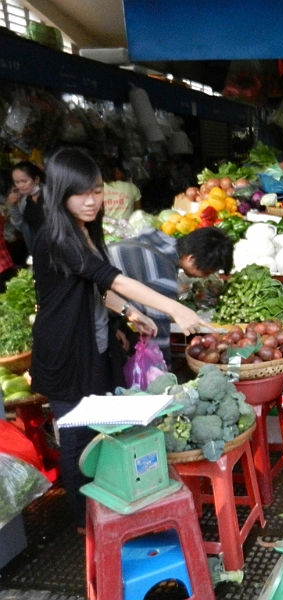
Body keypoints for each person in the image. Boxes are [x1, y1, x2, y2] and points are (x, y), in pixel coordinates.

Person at [29, 147, 209, 529]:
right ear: (60, 193)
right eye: (81, 193)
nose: (92, 201)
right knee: (76, 436)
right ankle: (84, 520)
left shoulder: (83, 230)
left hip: (94, 346)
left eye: (96, 191)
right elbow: (114, 279)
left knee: (99, 430)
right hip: (64, 351)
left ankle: (103, 503)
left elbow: (98, 286)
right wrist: (174, 309)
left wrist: (129, 313)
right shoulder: (56, 236)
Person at [107, 226, 234, 367]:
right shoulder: (162, 277)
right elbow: (158, 333)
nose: (206, 277)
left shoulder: (160, 238)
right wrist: (163, 371)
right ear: (191, 259)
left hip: (107, 302)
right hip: (90, 308)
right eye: (207, 272)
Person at [7, 161, 45, 255]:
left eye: (24, 181)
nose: (20, 185)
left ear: (36, 179)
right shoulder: (24, 201)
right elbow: (20, 226)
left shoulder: (49, 195)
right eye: (17, 182)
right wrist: (13, 206)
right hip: (38, 250)